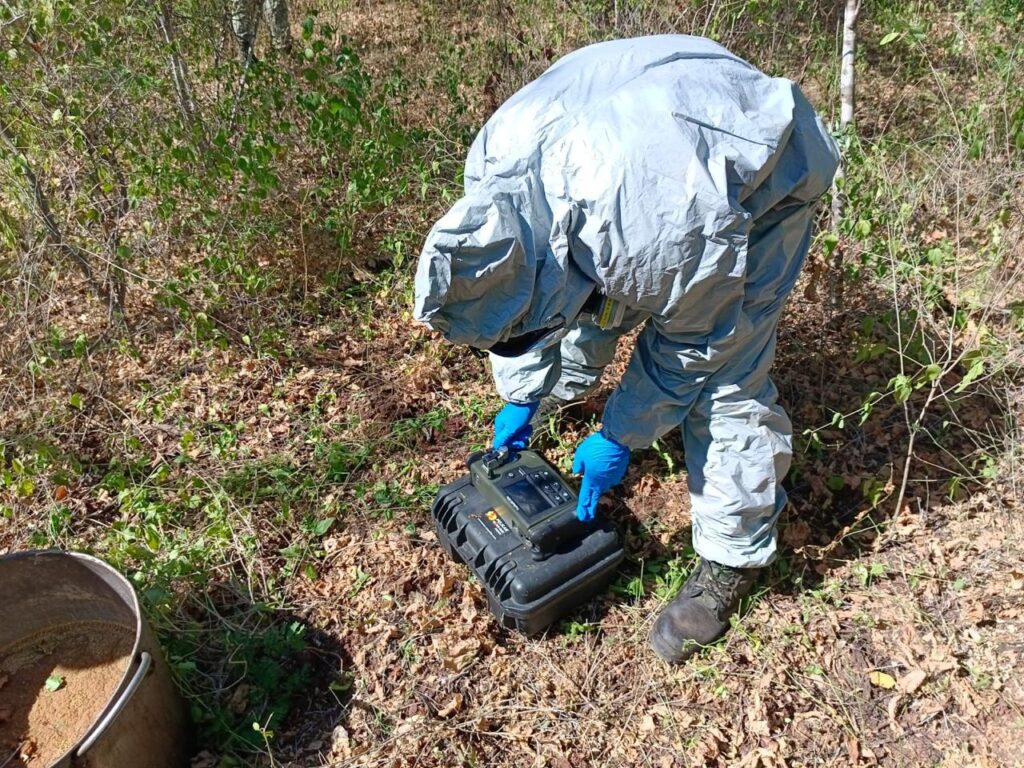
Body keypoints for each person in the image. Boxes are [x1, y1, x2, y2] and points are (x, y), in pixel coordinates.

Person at [413, 35, 839, 663]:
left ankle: (729, 563)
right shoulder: (491, 180)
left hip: (768, 169)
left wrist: (622, 433)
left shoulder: (648, 237)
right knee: (596, 302)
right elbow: (543, 293)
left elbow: (694, 342)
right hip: (660, 150)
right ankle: (561, 393)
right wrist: (524, 393)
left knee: (725, 384)